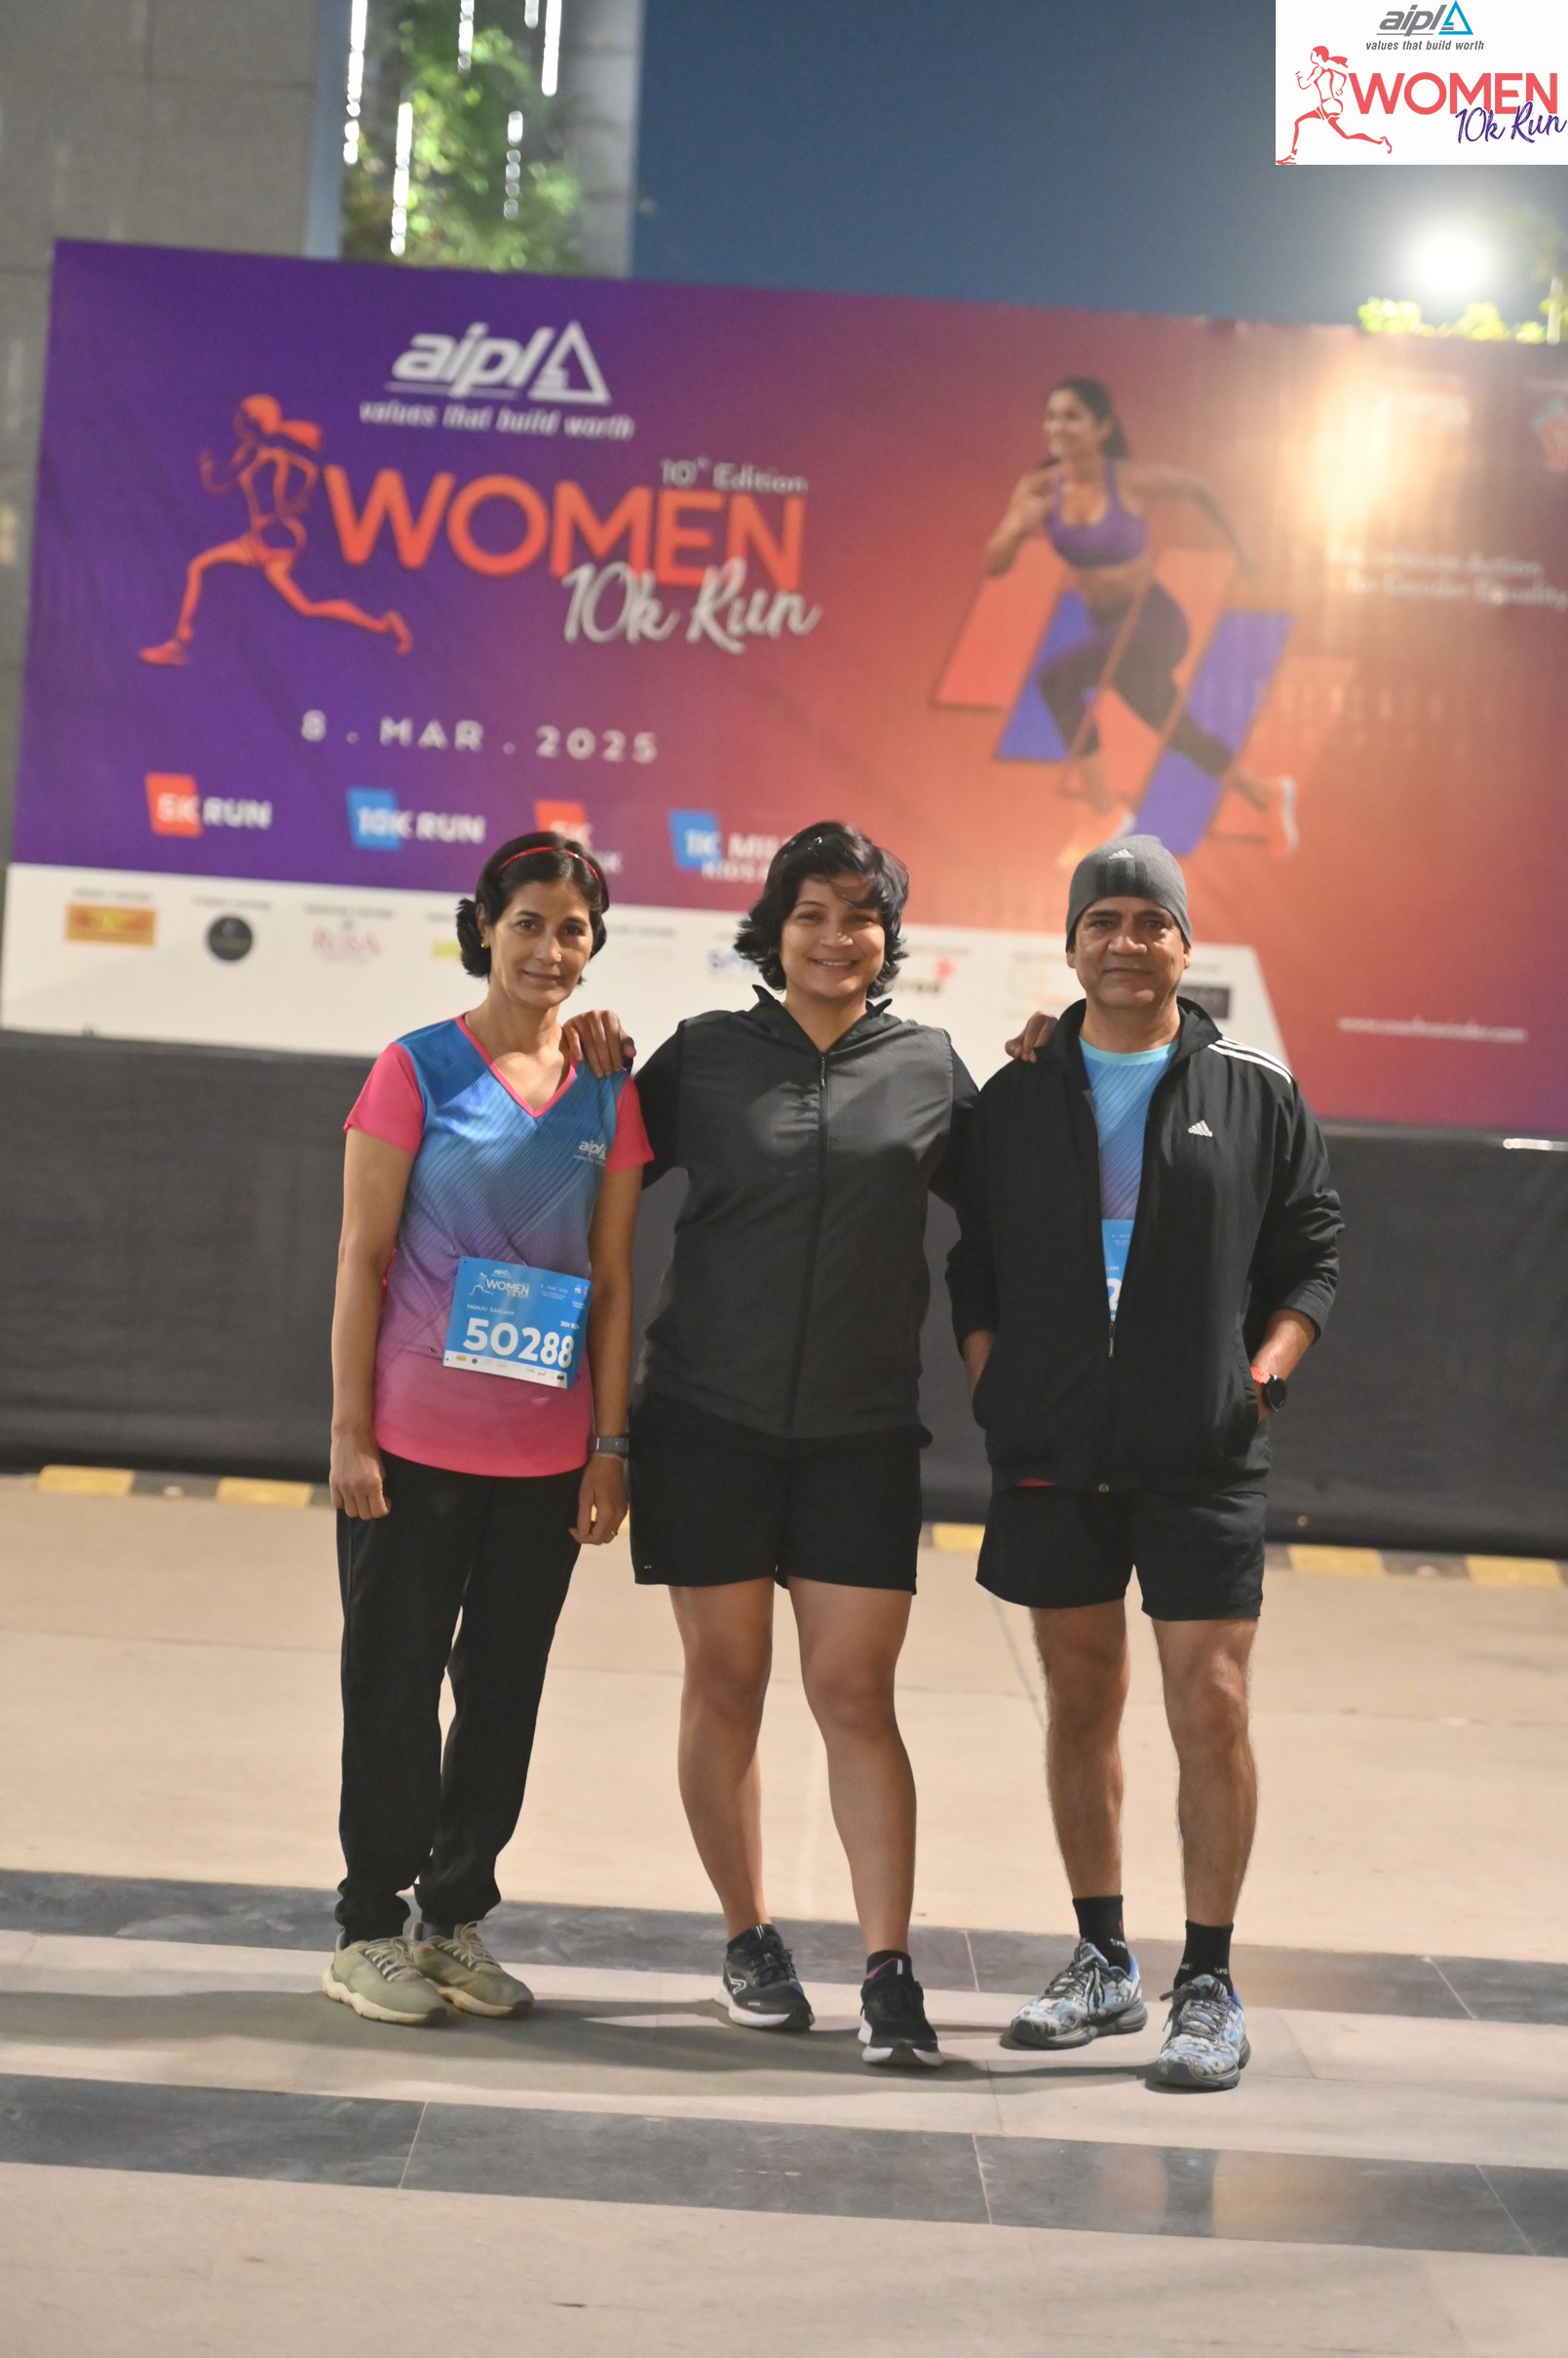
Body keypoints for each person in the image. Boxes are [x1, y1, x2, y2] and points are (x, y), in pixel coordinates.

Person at [947, 834, 1340, 2091]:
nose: (1125, 941)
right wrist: (995, 1380)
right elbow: (974, 1261)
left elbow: (1312, 1253)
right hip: (1053, 1446)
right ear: (1070, 946)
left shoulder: (1254, 1087)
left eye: (1148, 921)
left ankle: (1207, 1979)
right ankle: (1101, 1958)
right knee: (1079, 1700)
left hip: (1200, 1450)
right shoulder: (1015, 1092)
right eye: (1101, 921)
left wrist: (1260, 1377)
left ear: (1184, 943)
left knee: (1209, 1703)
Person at [630, 821, 977, 2068]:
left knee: (854, 1693)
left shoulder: (930, 1067)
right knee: (725, 1681)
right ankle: (748, 1936)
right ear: (774, 931)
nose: (836, 938)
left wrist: (1053, 1064)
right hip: (704, 1424)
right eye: (812, 914)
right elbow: (580, 1174)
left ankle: (888, 1971)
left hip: (860, 1433)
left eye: (860, 916)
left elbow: (1017, 1215)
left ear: (888, 937)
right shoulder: (701, 1057)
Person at [324, 831, 650, 2026]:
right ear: (483, 928)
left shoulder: (609, 1088)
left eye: (573, 929)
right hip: (411, 1450)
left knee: (502, 1693)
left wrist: (607, 1446)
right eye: (527, 924)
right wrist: (350, 1431)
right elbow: (361, 1257)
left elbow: (611, 1284)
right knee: (393, 1684)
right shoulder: (414, 1068)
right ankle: (368, 1927)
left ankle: (453, 1919)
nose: (549, 949)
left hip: (545, 1460)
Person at [984, 377, 1296, 864]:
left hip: (1153, 623)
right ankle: (1265, 795)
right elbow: (995, 564)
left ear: (1102, 427)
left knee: (1055, 679)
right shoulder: (1038, 487)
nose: (1058, 426)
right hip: (1107, 629)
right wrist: (1017, 528)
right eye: (1051, 417)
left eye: (1072, 416)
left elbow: (1199, 490)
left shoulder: (1130, 481)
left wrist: (1243, 551)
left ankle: (1102, 813)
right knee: (1178, 730)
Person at [141, 396, 410, 666]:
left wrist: (272, 511)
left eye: (243, 420)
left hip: (274, 540)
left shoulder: (277, 461)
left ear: (251, 423)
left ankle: (182, 641)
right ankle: (381, 625)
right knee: (298, 604)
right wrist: (210, 468)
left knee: (207, 570)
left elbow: (280, 497)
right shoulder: (257, 455)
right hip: (256, 541)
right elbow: (221, 486)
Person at [1279, 50, 1393, 165]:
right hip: (1327, 106)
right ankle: (1380, 141)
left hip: (1330, 106)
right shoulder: (1327, 69)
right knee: (1344, 135)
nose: (1311, 56)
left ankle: (1293, 156)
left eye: (1313, 54)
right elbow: (1344, 76)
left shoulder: (1318, 70)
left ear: (1319, 56)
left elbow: (1304, 85)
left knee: (1300, 123)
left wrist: (1299, 77)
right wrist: (1340, 88)